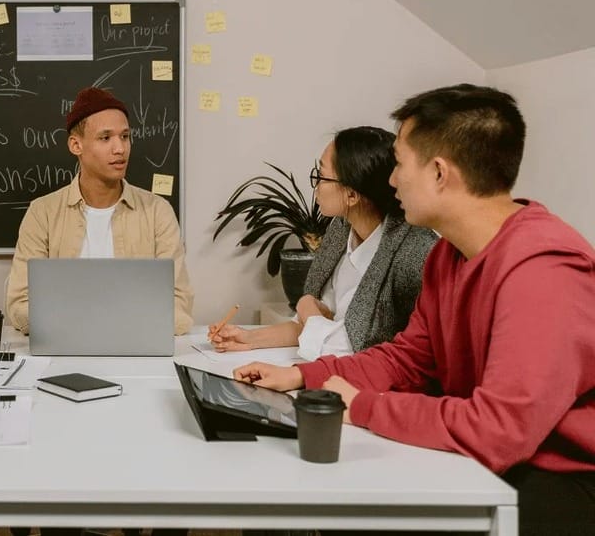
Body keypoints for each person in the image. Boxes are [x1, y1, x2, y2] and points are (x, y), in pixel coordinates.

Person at [235, 84, 595, 535]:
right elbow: (408, 358)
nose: (390, 181)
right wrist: (304, 378)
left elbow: (498, 430)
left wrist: (364, 406)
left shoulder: (543, 269)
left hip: (562, 481)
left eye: (400, 165)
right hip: (501, 459)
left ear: (440, 173)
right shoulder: (450, 256)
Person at [211, 126, 437, 360]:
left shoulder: (414, 250)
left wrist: (308, 309)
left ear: (352, 195)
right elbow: (312, 328)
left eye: (322, 176)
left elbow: (356, 348)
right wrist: (249, 339)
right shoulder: (341, 228)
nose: (316, 185)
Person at [6, 86, 194, 336]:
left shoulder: (157, 211)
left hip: (137, 348)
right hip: (63, 345)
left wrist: (112, 328)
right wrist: (78, 328)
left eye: (125, 136)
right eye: (106, 138)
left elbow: (179, 305)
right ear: (76, 145)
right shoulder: (43, 213)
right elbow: (20, 303)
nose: (120, 149)